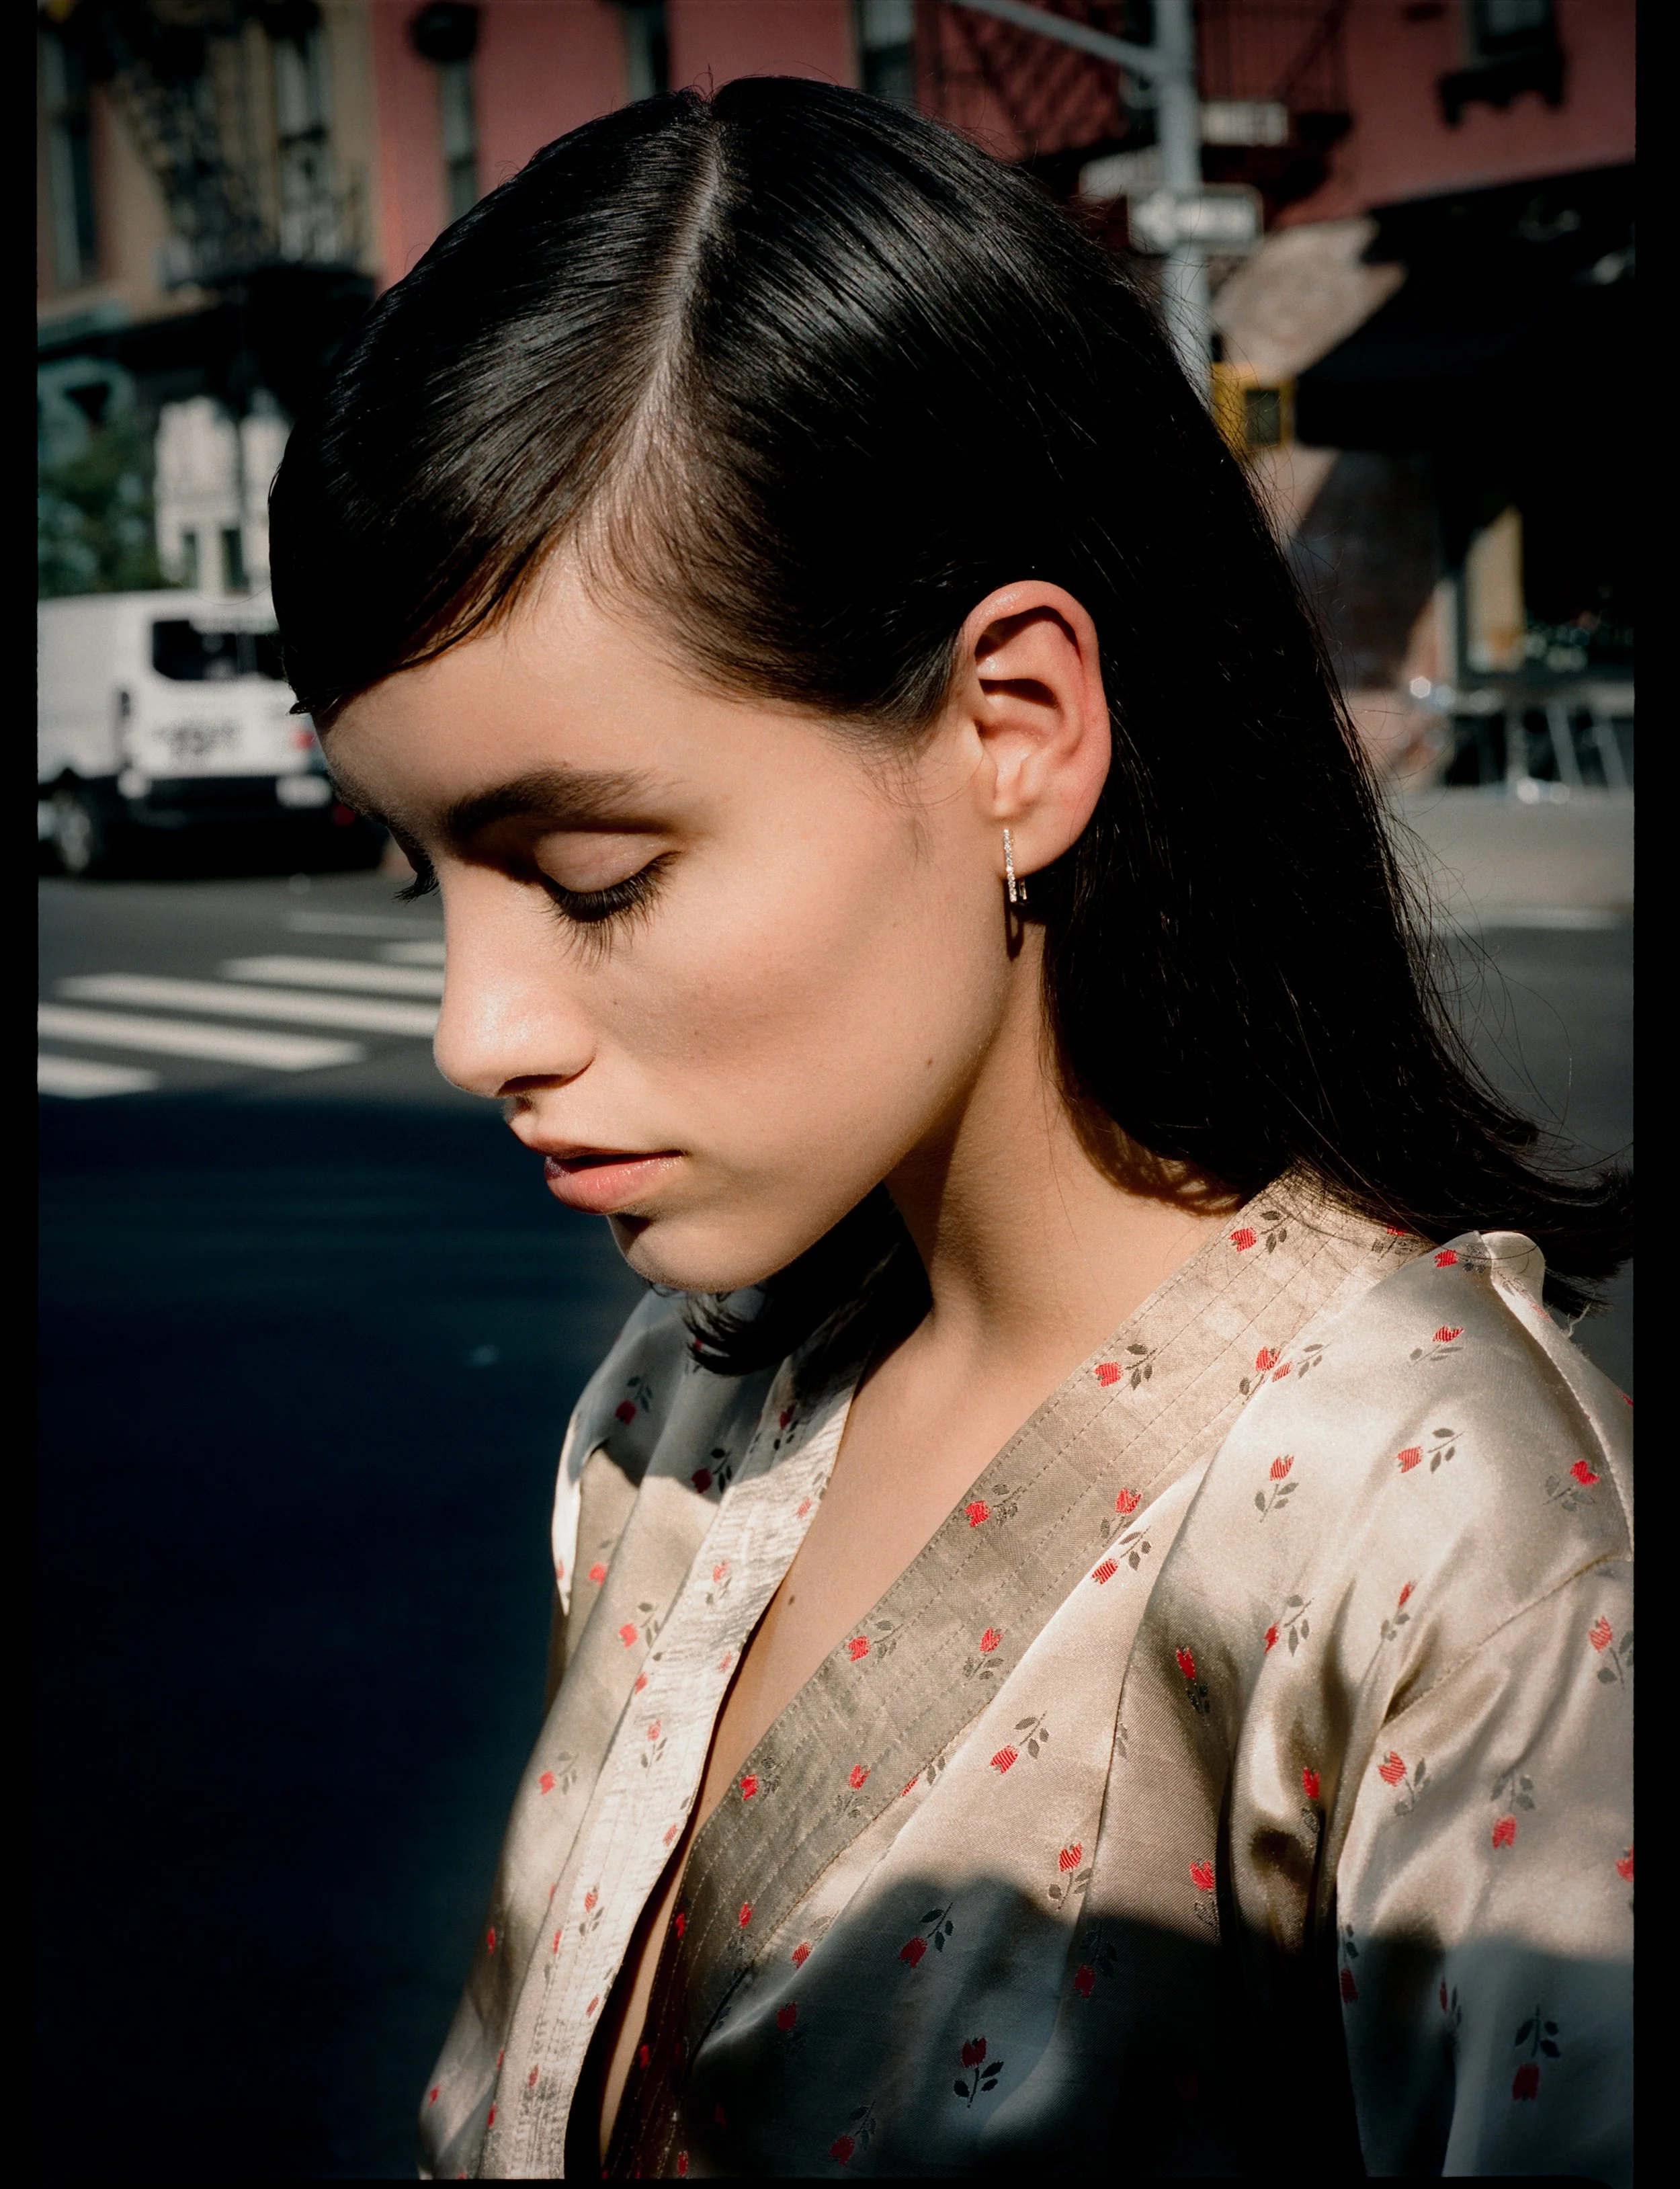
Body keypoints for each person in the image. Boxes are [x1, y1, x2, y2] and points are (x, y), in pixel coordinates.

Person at [269, 79, 1632, 2184]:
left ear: (1014, 733)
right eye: (424, 866)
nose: (475, 1030)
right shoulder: (684, 1405)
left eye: (597, 870)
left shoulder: (1436, 1536)